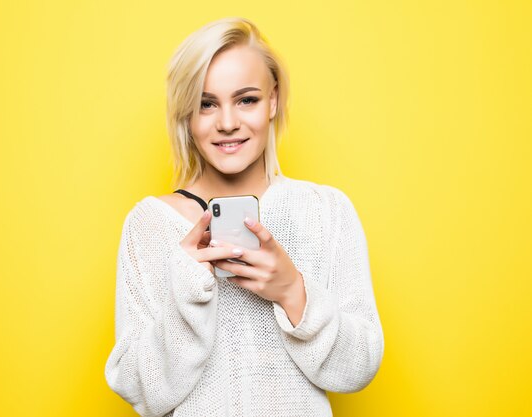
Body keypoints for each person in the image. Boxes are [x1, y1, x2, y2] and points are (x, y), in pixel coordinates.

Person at [104, 16, 384, 417]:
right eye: (207, 103)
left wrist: (292, 291)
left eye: (246, 99)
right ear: (187, 113)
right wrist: (185, 291)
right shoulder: (148, 225)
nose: (228, 123)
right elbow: (137, 390)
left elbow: (359, 368)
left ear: (273, 100)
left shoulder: (327, 212)